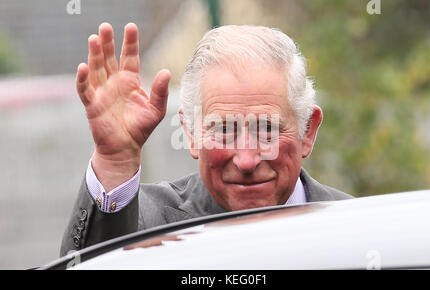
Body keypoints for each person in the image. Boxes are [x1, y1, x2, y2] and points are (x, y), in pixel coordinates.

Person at [60, 23, 353, 256]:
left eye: (267, 129)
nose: (247, 160)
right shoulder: (146, 226)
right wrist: (115, 161)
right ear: (191, 133)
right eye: (223, 130)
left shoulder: (358, 229)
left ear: (307, 131)